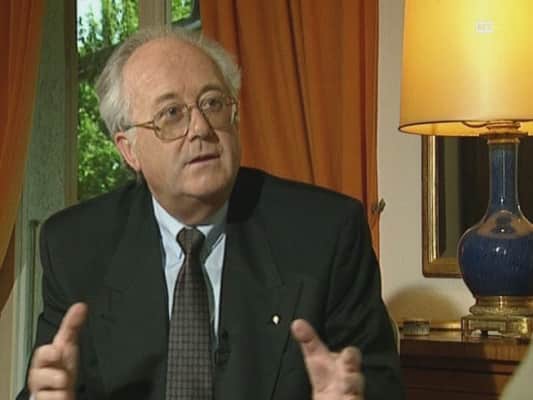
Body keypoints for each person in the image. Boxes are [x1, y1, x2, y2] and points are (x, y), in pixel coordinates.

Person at [17, 27, 404, 400]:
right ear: (129, 150)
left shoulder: (325, 233)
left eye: (213, 103)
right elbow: (51, 384)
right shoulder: (76, 247)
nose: (201, 128)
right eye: (171, 113)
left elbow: (380, 386)